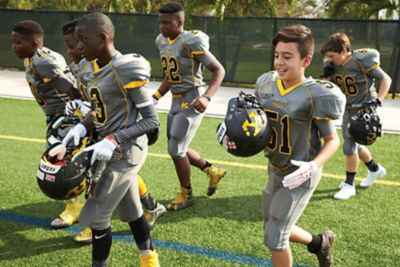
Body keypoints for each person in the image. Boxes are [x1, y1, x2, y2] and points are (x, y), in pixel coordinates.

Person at [56, 12, 160, 266]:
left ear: (102, 38)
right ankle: (150, 260)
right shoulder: (94, 68)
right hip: (108, 148)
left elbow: (151, 121)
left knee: (96, 216)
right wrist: (81, 127)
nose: (78, 47)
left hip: (127, 150)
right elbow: (99, 110)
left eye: (83, 40)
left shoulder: (125, 68)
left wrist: (113, 139)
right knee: (133, 210)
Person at [255, 25, 346, 267]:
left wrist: (313, 166)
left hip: (300, 173)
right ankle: (319, 243)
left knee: (275, 236)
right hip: (275, 167)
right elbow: (260, 125)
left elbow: (333, 140)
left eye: (287, 56)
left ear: (306, 60)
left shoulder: (314, 93)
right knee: (272, 224)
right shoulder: (266, 84)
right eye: (277, 55)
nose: (279, 62)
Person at [11, 20, 84, 230]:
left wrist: (74, 119)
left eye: (18, 43)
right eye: (13, 42)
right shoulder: (32, 58)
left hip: (67, 119)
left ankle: (77, 208)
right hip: (56, 118)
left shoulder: (44, 61)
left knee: (66, 163)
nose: (14, 47)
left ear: (34, 44)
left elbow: (72, 91)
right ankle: (74, 205)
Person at [153, 2, 226, 210]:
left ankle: (186, 194)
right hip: (175, 99)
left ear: (180, 22)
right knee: (177, 146)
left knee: (176, 148)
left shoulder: (190, 41)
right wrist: (157, 95)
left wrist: (207, 97)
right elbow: (171, 74)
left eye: (167, 23)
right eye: (160, 22)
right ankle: (213, 171)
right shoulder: (161, 41)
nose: (162, 27)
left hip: (192, 98)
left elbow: (218, 70)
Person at [320, 32, 391, 200]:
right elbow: (327, 87)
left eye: (332, 56)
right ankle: (374, 169)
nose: (329, 59)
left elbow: (386, 79)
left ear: (344, 51)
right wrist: (326, 76)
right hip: (348, 108)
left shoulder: (360, 60)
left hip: (364, 108)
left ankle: (349, 185)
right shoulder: (332, 64)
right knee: (354, 144)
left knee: (349, 145)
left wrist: (378, 101)